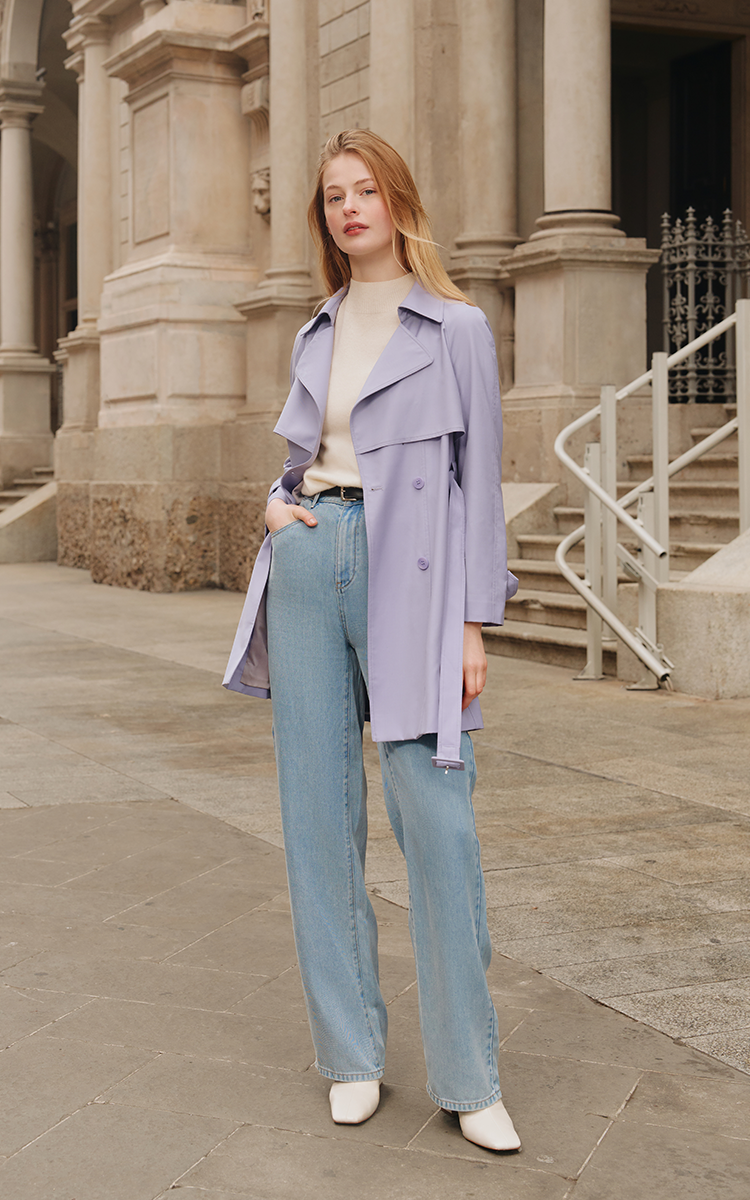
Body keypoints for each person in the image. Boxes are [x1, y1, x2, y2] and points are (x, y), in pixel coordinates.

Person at [224, 130, 521, 1152]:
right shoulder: (316, 327)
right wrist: (274, 510)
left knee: (438, 824)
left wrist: (474, 619)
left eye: (366, 190)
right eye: (334, 196)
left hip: (419, 584)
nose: (350, 207)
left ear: (398, 201)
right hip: (313, 560)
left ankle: (470, 1076)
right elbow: (306, 452)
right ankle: (350, 1055)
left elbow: (481, 481)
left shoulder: (458, 327)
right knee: (316, 816)